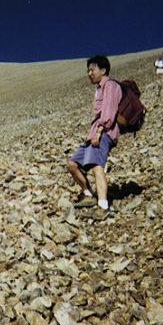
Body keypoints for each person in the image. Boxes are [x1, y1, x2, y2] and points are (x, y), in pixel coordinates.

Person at [66, 55, 121, 217]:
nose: (89, 73)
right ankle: (89, 195)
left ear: (103, 70)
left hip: (105, 132)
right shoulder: (99, 88)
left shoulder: (110, 86)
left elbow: (109, 112)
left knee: (97, 165)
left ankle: (103, 206)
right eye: (88, 70)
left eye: (92, 70)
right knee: (72, 164)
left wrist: (99, 131)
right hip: (94, 134)